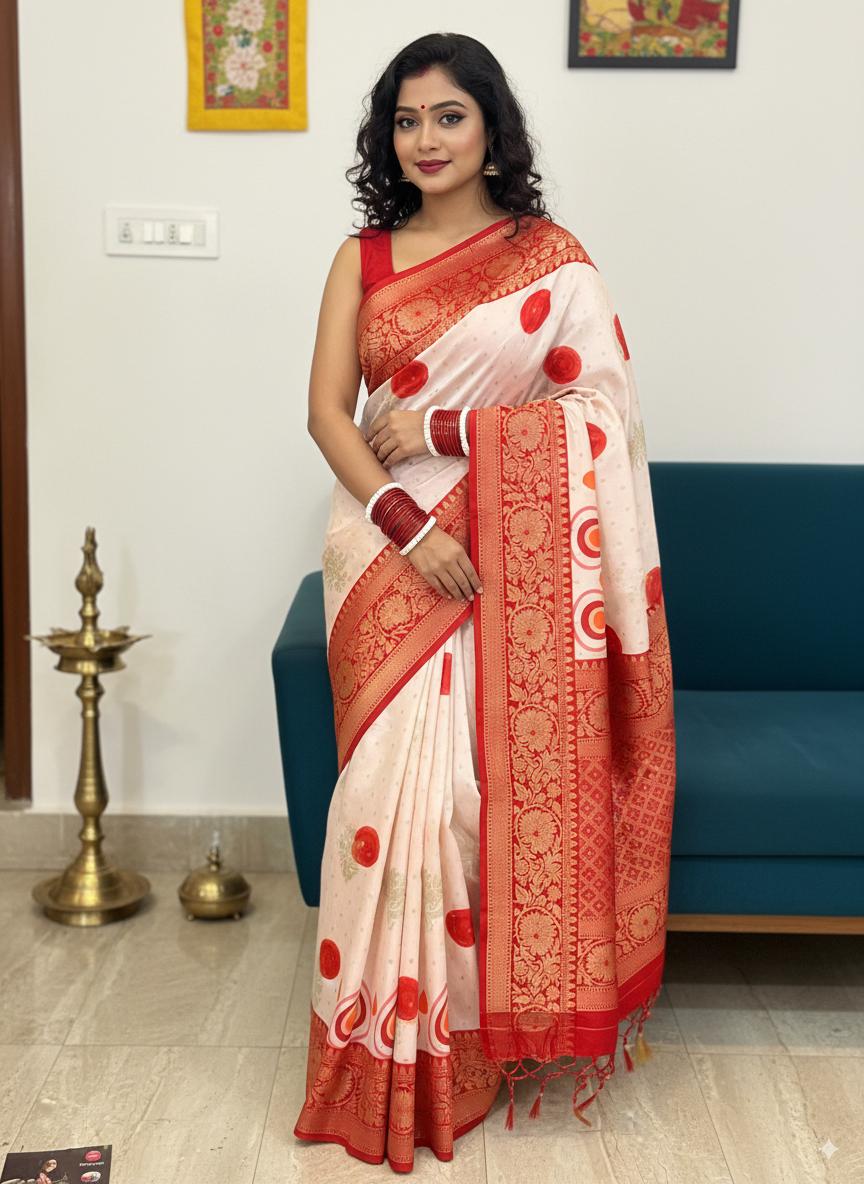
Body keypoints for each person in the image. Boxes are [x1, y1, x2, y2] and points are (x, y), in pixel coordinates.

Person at [295, 31, 677, 1173]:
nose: (426, 140)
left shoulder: (550, 258)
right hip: (383, 542)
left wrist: (457, 432)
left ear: (491, 127)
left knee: (469, 797)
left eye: (448, 117)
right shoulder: (362, 257)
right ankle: (372, 1054)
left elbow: (602, 416)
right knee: (379, 797)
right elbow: (326, 413)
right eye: (407, 120)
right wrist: (409, 526)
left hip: (513, 552)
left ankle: (461, 1043)